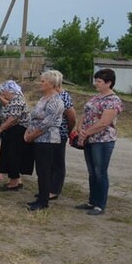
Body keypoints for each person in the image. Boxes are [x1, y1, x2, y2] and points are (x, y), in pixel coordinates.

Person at [75, 68, 123, 216]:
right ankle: (92, 201)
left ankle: (100, 204)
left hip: (102, 140)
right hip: (89, 139)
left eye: (99, 81)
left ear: (109, 83)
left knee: (100, 172)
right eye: (96, 80)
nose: (96, 83)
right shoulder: (96, 98)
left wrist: (86, 133)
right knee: (92, 172)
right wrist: (80, 129)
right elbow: (84, 114)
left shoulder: (113, 101)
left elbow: (104, 123)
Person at [23, 71, 65, 211]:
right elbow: (34, 117)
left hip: (47, 140)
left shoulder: (56, 100)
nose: (40, 83)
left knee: (44, 170)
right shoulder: (43, 99)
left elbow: (47, 123)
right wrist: (28, 131)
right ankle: (41, 196)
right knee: (40, 170)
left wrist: (32, 135)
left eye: (43, 81)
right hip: (37, 138)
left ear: (52, 84)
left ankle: (43, 201)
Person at [0, 80, 33, 191]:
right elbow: (9, 115)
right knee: (11, 155)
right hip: (14, 131)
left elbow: (14, 118)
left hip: (18, 132)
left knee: (13, 155)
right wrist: (0, 118)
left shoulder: (16, 100)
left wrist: (0, 129)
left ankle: (14, 182)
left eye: (4, 92)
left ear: (10, 91)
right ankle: (15, 180)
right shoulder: (13, 100)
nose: (3, 94)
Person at [49, 70, 76, 199]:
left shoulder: (64, 97)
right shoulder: (50, 95)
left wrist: (67, 131)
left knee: (58, 163)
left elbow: (72, 118)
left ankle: (55, 190)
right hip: (47, 135)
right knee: (49, 162)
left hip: (60, 134)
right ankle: (47, 187)